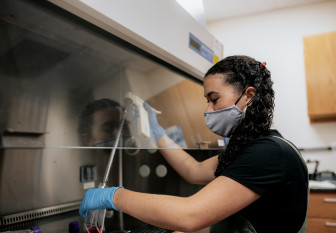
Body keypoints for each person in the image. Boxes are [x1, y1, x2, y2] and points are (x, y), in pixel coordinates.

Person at [79, 56, 309, 233]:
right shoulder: (250, 148)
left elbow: (190, 215)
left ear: (249, 96)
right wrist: (156, 131)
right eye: (207, 101)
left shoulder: (267, 153)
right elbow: (193, 171)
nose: (208, 110)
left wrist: (113, 196)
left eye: (214, 99)